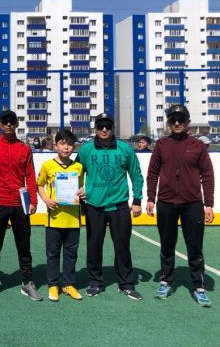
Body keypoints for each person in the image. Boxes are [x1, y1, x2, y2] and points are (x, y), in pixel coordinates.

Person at [146, 104, 215, 307]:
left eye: (181, 120)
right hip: (166, 203)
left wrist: (209, 204)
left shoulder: (198, 146)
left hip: (192, 204)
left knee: (195, 247)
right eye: (173, 120)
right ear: (168, 123)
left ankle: (198, 286)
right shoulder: (161, 144)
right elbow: (152, 173)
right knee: (167, 245)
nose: (177, 123)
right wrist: (150, 198)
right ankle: (166, 281)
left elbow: (207, 175)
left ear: (188, 122)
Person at [76, 113, 144, 300]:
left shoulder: (125, 149)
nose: (104, 129)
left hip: (119, 206)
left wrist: (137, 200)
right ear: (95, 128)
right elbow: (75, 173)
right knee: (94, 246)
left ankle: (126, 284)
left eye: (108, 126)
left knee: (122, 246)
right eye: (100, 126)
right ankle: (95, 282)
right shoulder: (86, 150)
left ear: (113, 128)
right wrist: (78, 194)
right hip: (94, 206)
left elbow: (136, 174)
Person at [0, 110, 42, 301]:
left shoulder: (24, 149)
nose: (8, 124)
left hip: (20, 205)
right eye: (5, 121)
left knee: (24, 246)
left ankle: (27, 282)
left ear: (16, 124)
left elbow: (30, 176)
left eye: (12, 121)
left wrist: (33, 201)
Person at [37, 129, 85, 302]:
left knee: (71, 254)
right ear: (55, 145)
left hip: (73, 220)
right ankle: (53, 284)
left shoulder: (78, 167)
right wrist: (46, 199)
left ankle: (68, 284)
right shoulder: (47, 165)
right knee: (53, 254)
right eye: (62, 144)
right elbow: (40, 185)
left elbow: (81, 187)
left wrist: (82, 192)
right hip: (54, 219)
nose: (66, 147)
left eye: (70, 144)